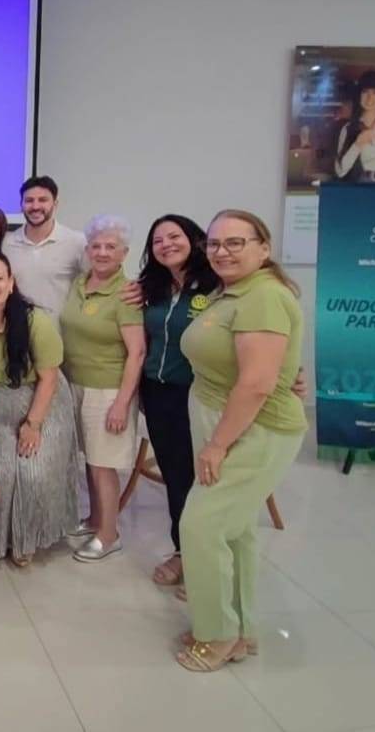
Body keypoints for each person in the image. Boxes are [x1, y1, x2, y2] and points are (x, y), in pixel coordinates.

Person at [175, 210, 307, 672]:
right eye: (213, 243)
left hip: (254, 428)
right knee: (235, 530)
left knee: (202, 526)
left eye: (235, 242)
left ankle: (217, 635)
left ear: (263, 248)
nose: (221, 251)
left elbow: (255, 385)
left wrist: (217, 446)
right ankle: (240, 629)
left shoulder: (264, 297)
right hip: (221, 416)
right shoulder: (233, 291)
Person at [0, 249, 77, 566]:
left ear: (11, 283)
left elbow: (49, 378)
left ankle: (29, 538)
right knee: (0, 473)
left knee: (33, 471)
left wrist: (33, 424)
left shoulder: (36, 320)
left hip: (42, 398)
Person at [136, 214, 220, 587]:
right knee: (176, 476)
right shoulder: (153, 288)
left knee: (206, 479)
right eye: (158, 241)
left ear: (194, 239)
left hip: (200, 395)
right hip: (157, 392)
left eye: (174, 236)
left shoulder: (217, 285)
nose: (166, 244)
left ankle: (210, 562)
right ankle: (184, 552)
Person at [60, 215, 145, 561]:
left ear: (124, 252)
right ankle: (96, 519)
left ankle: (109, 535)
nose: (102, 252)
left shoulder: (126, 294)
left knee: (102, 464)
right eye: (96, 245)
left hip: (107, 390)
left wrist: (122, 404)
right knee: (90, 460)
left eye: (111, 246)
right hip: (75, 383)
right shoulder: (81, 282)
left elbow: (137, 352)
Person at [2, 176, 86, 318]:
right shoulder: (6, 244)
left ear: (55, 203)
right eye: (29, 200)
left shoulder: (77, 242)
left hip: (60, 335)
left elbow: (99, 280)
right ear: (21, 204)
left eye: (43, 200)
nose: (35, 207)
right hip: (17, 332)